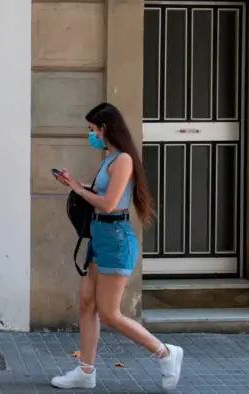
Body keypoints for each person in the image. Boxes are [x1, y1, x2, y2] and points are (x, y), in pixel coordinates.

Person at [51, 102, 183, 390]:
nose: (90, 135)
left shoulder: (123, 159)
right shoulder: (109, 158)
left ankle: (165, 353)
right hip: (101, 235)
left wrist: (78, 189)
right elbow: (102, 192)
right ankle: (86, 372)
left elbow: (109, 204)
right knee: (87, 303)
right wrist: (74, 183)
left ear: (105, 128)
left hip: (115, 237)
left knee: (110, 312)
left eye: (92, 130)